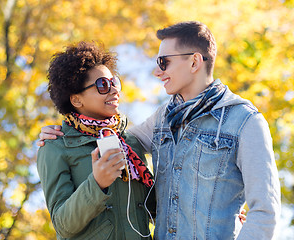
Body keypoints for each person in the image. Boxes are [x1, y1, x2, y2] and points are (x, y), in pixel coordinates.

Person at [39, 21, 279, 239]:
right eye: (103, 84)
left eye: (164, 62)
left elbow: (265, 211)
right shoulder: (161, 120)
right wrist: (57, 132)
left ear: (194, 62)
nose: (157, 71)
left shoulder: (245, 122)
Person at [36, 41, 155, 240]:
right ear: (76, 100)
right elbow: (62, 225)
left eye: (114, 82)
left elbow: (154, 209)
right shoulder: (55, 146)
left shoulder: (130, 143)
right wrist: (97, 183)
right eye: (102, 85)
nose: (114, 90)